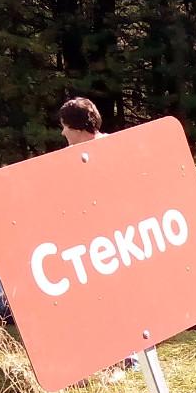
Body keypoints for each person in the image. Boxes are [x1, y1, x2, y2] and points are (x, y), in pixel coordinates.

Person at [57, 96, 138, 378]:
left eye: (64, 126)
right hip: (88, 245)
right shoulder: (69, 159)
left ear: (76, 127)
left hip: (116, 242)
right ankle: (102, 358)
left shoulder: (111, 151)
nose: (62, 133)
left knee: (120, 298)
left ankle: (125, 359)